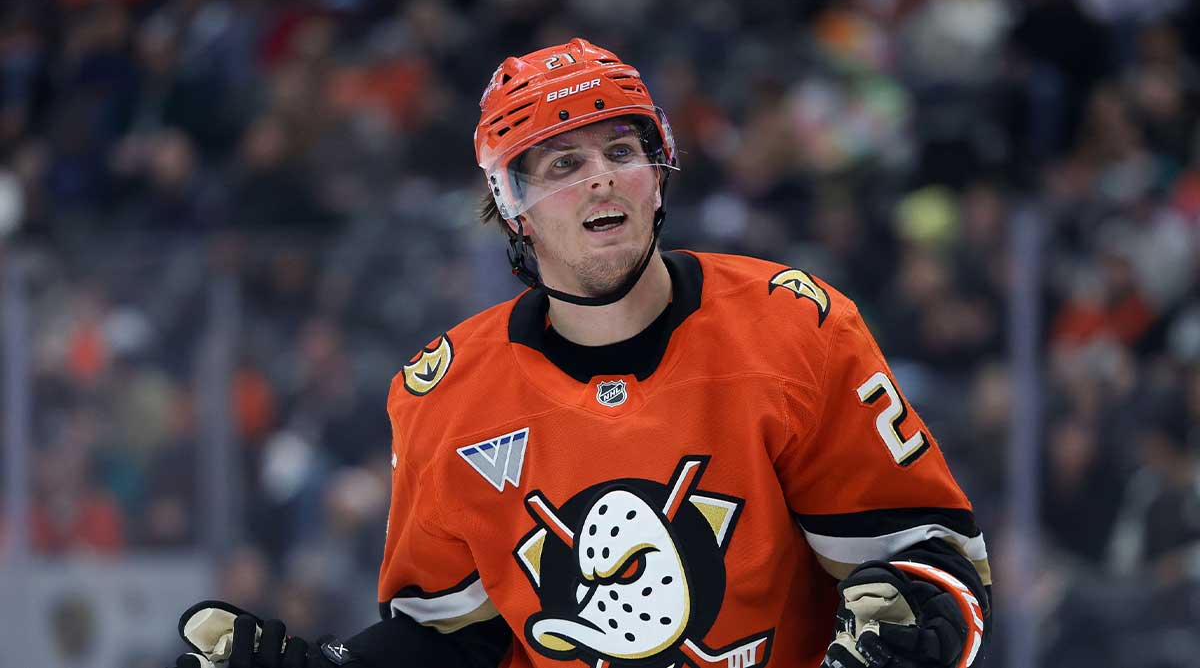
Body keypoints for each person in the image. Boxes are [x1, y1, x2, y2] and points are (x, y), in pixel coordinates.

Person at [173, 38, 991, 668]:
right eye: (564, 163)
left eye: (622, 152)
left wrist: (910, 622)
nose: (602, 179)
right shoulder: (444, 393)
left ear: (658, 175)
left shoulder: (794, 327)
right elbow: (456, 641)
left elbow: (933, 563)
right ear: (512, 206)